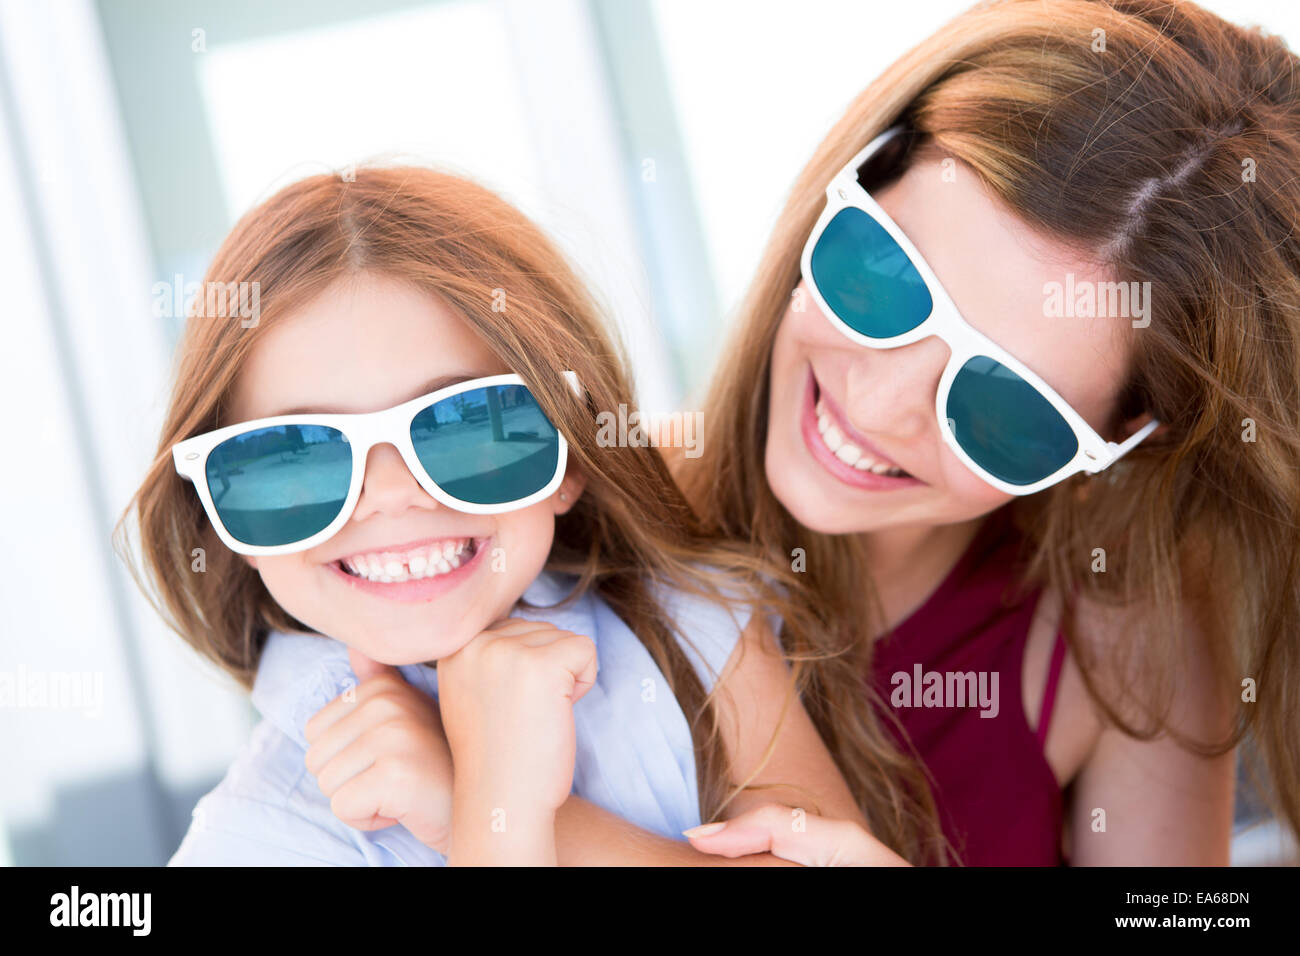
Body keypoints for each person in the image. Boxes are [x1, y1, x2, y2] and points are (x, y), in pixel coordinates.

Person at [677, 0, 1300, 864]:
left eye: (1004, 404)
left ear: (1127, 436)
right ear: (857, 176)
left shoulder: (1124, 639)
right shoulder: (539, 528)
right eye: (884, 275)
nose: (882, 402)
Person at [113, 165, 864, 865]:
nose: (393, 493)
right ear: (221, 514)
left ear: (571, 456)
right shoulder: (257, 838)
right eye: (295, 456)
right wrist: (497, 812)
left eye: (466, 423)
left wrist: (471, 799)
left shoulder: (692, 615)